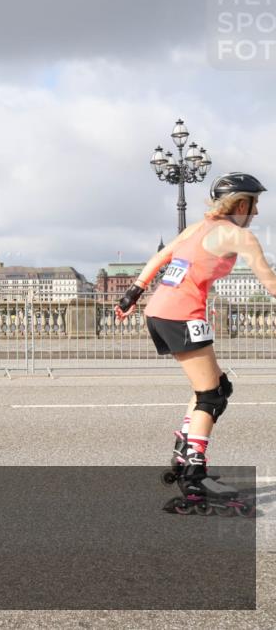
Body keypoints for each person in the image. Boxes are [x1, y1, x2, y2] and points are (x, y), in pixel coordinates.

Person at [115, 172, 274, 514]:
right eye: (254, 204)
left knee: (217, 386)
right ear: (241, 204)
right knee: (211, 396)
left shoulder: (196, 229)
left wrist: (132, 294)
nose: (256, 213)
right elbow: (271, 283)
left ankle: (184, 450)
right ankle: (194, 474)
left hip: (159, 311)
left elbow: (159, 259)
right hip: (183, 314)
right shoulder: (239, 236)